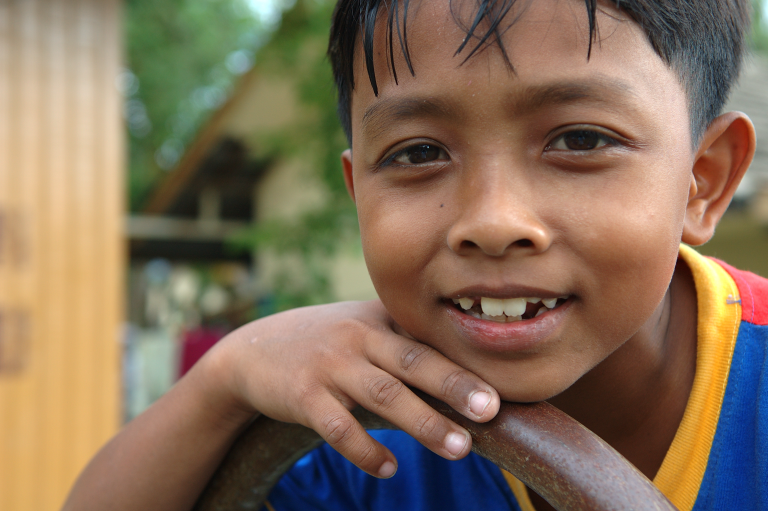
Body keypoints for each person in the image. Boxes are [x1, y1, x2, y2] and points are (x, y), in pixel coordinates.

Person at [63, 0, 767, 510]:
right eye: (418, 153)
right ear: (357, 188)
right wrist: (224, 377)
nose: (492, 223)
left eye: (580, 140)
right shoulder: (359, 433)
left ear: (703, 181)